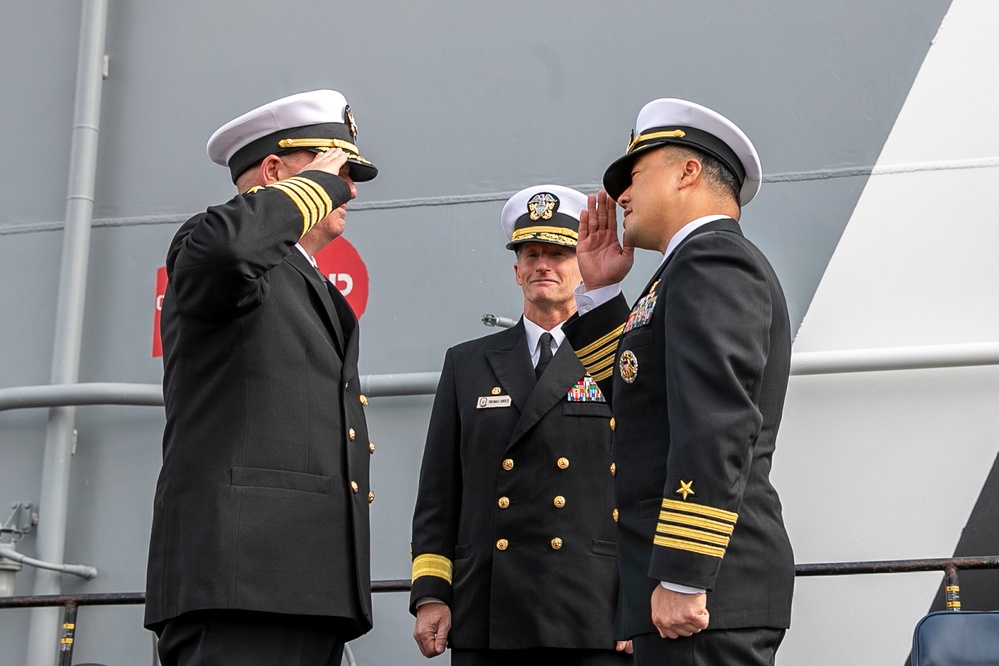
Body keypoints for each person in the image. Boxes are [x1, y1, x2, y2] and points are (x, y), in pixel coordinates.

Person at [143, 89, 379, 666]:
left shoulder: (309, 280)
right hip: (240, 578)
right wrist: (308, 190)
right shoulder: (211, 242)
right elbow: (228, 252)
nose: (346, 186)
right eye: (331, 169)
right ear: (275, 171)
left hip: (305, 580)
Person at [562, 98, 795, 665]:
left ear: (688, 172)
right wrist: (596, 295)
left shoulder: (712, 260)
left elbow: (718, 422)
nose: (621, 197)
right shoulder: (684, 270)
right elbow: (641, 395)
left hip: (703, 585)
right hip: (683, 583)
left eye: (635, 175)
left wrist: (686, 574)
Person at [409, 184, 631, 665]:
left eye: (558, 252)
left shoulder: (620, 354)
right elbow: (439, 493)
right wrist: (431, 594)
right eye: (531, 254)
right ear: (516, 271)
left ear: (583, 265)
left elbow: (645, 478)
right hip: (488, 610)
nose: (542, 265)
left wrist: (637, 597)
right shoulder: (467, 363)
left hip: (592, 611)